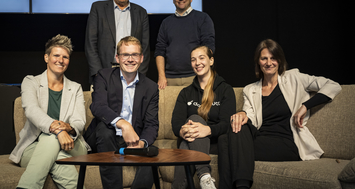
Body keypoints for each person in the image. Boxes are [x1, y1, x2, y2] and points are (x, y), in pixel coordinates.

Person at [224, 39, 342, 189]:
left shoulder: (294, 78)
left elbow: (332, 85)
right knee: (235, 131)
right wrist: (241, 114)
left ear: (279, 60)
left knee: (225, 143)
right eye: (264, 58)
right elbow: (250, 116)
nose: (269, 62)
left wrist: (306, 106)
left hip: (287, 143)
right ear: (258, 62)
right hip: (261, 138)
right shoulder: (250, 89)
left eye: (273, 58)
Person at [9, 34, 89, 189]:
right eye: (56, 55)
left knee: (51, 138)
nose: (60, 60)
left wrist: (67, 129)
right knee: (54, 145)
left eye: (65, 57)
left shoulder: (76, 88)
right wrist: (58, 130)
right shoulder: (30, 82)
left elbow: (79, 121)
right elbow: (32, 110)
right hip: (33, 147)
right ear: (46, 57)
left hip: (72, 145)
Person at [84, 36, 159, 189]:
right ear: (117, 58)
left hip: (131, 142)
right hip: (102, 138)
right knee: (105, 130)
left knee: (153, 153)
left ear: (141, 58)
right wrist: (124, 124)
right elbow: (97, 106)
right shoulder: (103, 76)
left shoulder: (151, 87)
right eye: (125, 55)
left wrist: (142, 143)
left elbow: (151, 124)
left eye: (135, 55)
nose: (130, 59)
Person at [171, 45, 236, 189]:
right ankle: (205, 177)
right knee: (192, 126)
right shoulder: (185, 93)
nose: (197, 62)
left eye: (201, 58)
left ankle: (188, 182)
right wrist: (182, 131)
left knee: (192, 125)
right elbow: (176, 123)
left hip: (213, 143)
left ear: (211, 61)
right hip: (189, 138)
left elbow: (226, 123)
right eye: (193, 60)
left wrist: (207, 130)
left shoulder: (225, 90)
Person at [85, 0, 150, 84]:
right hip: (103, 73)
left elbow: (145, 48)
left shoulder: (141, 12)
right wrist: (98, 74)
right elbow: (90, 44)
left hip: (132, 74)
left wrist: (140, 75)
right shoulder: (98, 8)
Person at [155, 0, 215, 89]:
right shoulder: (166, 23)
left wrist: (203, 74)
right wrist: (161, 76)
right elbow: (159, 50)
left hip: (196, 76)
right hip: (169, 79)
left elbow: (209, 47)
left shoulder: (203, 18)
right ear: (173, 0)